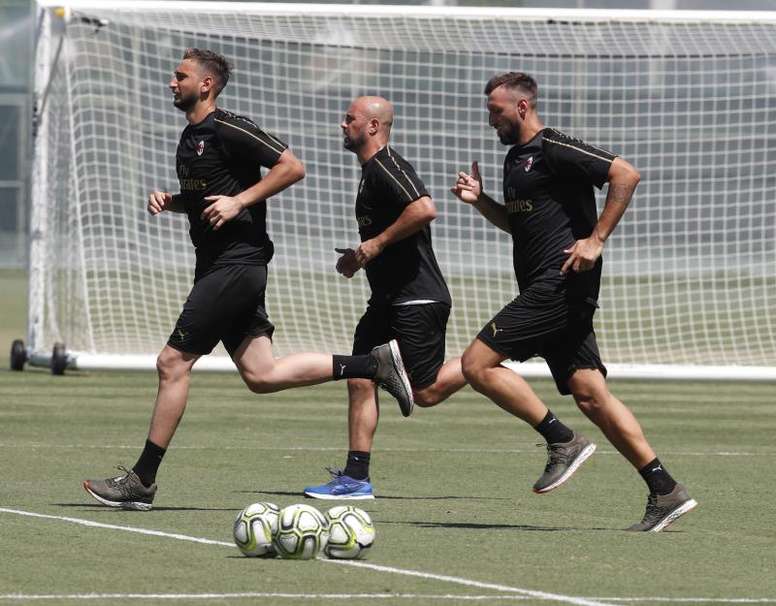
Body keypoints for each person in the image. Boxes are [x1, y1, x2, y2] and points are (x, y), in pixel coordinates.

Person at [82, 50, 413, 511]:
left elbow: (292, 167)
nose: (171, 82)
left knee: (172, 362)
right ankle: (370, 366)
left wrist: (241, 202)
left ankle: (142, 479)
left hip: (236, 265)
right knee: (261, 374)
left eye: (181, 76)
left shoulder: (229, 126)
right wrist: (174, 201)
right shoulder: (190, 136)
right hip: (219, 264)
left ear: (207, 85)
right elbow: (207, 198)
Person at [451, 72, 697, 531]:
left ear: (522, 107)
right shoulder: (514, 159)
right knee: (591, 395)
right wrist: (480, 201)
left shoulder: (553, 146)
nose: (490, 120)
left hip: (559, 286)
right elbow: (519, 225)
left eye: (496, 111)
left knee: (476, 365)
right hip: (550, 291)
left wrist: (595, 239)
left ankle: (560, 440)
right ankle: (665, 490)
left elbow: (626, 174)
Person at [303, 96, 467, 500]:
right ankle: (356, 478)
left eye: (350, 119)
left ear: (373, 126)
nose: (342, 125)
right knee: (359, 378)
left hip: (417, 299)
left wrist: (373, 244)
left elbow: (425, 209)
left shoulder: (387, 165)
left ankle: (486, 359)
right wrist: (359, 258)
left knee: (425, 393)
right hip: (385, 300)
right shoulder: (368, 173)